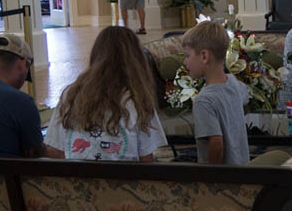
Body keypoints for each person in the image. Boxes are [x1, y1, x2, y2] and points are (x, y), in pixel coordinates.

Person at [44, 26, 166, 161]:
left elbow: (57, 152)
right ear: (137, 60)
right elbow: (146, 159)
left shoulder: (70, 94)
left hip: (77, 179)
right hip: (123, 181)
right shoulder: (137, 100)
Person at [181, 21, 249, 165]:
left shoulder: (203, 101)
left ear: (204, 56)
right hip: (244, 171)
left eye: (187, 56)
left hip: (222, 181)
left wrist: (210, 179)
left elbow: (216, 144)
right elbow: (245, 96)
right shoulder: (233, 83)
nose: (185, 62)